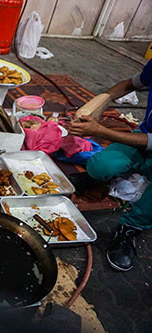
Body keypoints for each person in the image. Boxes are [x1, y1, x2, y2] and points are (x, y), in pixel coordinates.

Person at [69, 59, 152, 272]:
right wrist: (98, 106)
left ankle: (131, 227)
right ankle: (107, 176)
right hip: (145, 137)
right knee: (100, 166)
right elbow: (127, 85)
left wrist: (101, 132)